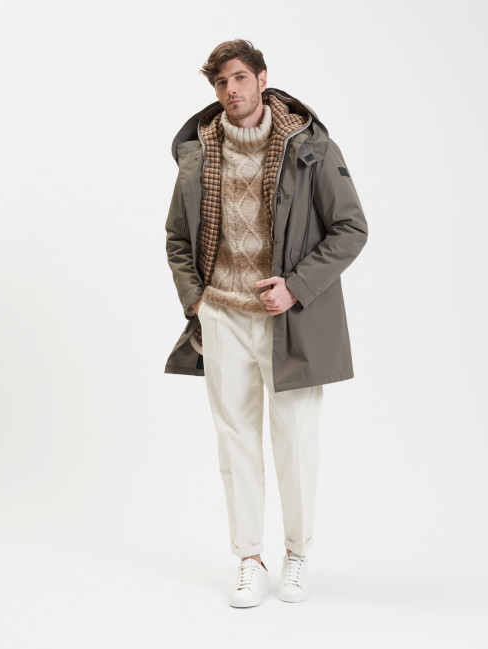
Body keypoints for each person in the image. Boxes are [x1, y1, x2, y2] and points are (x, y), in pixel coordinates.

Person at [164, 39, 368, 607]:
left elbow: (351, 228)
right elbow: (177, 238)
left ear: (261, 78)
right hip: (222, 316)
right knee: (235, 443)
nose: (231, 90)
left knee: (295, 441)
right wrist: (196, 301)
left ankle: (297, 554)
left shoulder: (310, 145)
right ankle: (249, 558)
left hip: (290, 320)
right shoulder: (199, 153)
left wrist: (295, 286)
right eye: (220, 83)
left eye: (239, 78)